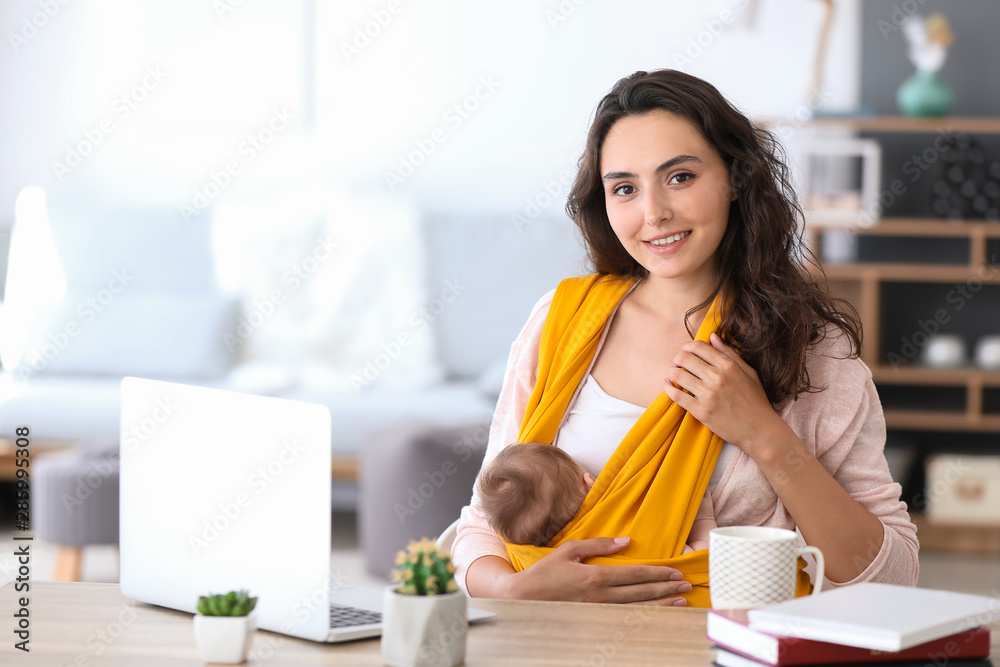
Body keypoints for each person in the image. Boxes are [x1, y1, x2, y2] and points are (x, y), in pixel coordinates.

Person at [450, 68, 919, 607]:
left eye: (680, 177)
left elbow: (892, 578)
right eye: (625, 188)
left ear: (736, 177)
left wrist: (763, 434)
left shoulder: (812, 350)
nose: (654, 214)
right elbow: (481, 525)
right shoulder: (561, 319)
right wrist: (514, 588)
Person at [477, 441, 716, 550]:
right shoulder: (628, 535)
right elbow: (701, 561)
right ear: (588, 483)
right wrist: (703, 519)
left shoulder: (550, 563)